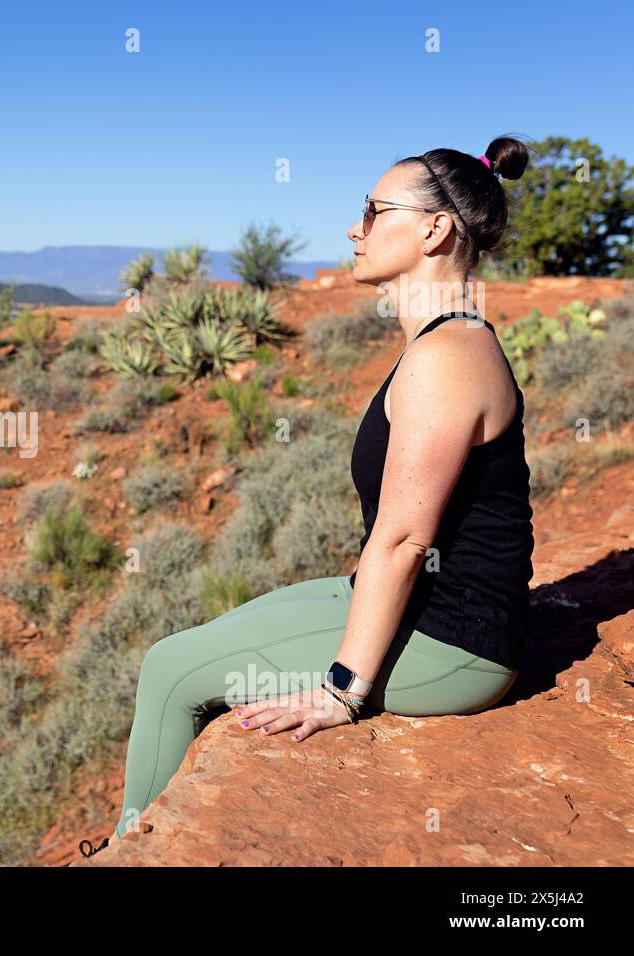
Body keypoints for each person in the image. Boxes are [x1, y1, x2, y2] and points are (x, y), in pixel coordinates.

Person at [75, 135, 536, 862]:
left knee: (170, 671)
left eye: (372, 210)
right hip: (417, 602)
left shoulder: (448, 358)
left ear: (434, 228)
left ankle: (127, 854)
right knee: (201, 638)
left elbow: (406, 540)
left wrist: (343, 691)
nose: (354, 229)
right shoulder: (443, 342)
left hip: (458, 644)